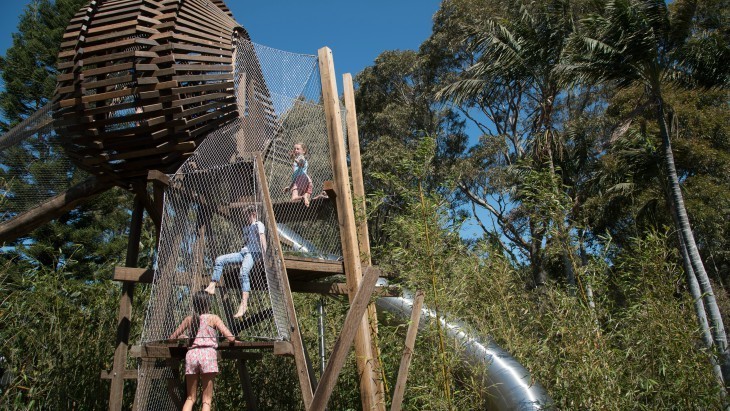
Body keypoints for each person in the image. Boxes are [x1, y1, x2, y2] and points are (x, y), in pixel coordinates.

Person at [169, 291, 235, 411]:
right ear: (208, 304)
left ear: (194, 305)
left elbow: (171, 339)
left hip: (192, 355)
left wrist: (181, 337)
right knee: (206, 401)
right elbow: (230, 338)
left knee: (190, 398)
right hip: (208, 355)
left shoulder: (189, 319)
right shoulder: (213, 318)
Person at [204, 205, 266, 318]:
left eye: (246, 215)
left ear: (252, 214)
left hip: (254, 253)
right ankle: (212, 285)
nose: (244, 218)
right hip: (244, 253)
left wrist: (264, 255)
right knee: (220, 259)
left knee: (243, 273)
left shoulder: (258, 224)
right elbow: (246, 243)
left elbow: (262, 239)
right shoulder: (247, 228)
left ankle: (244, 304)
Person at [283, 142, 313, 207]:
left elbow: (301, 164)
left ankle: (303, 197)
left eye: (298, 149)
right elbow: (296, 178)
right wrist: (290, 187)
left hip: (301, 179)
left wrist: (294, 159)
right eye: (295, 149)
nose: (295, 150)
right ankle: (305, 197)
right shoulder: (298, 159)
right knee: (301, 204)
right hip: (307, 180)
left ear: (304, 151)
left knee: (294, 198)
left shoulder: (301, 157)